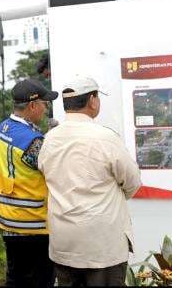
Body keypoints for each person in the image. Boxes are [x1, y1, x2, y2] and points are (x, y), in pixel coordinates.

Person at [38, 76, 142, 287]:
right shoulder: (105, 137)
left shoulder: (50, 138)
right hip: (101, 244)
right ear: (93, 101)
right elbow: (132, 182)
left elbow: (44, 171)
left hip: (64, 242)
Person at [0, 78, 58, 287]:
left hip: (8, 220)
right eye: (44, 104)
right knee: (40, 281)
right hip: (32, 225)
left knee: (16, 277)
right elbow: (53, 169)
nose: (45, 109)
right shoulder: (33, 141)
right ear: (32, 105)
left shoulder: (4, 127)